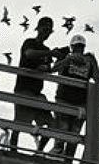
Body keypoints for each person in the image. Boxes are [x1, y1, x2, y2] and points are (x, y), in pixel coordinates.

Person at [10, 17, 63, 154]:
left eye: (49, 30)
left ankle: (38, 153)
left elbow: (49, 68)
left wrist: (64, 59)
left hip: (37, 93)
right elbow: (29, 54)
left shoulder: (46, 49)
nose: (46, 32)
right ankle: (12, 152)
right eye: (45, 29)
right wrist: (51, 53)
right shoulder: (29, 42)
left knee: (52, 125)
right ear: (38, 28)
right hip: (23, 90)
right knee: (19, 125)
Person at [50, 34, 99, 161]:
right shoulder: (65, 56)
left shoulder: (89, 61)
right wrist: (68, 59)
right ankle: (56, 161)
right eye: (77, 47)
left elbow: (97, 79)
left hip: (80, 104)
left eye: (81, 47)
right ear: (72, 47)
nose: (79, 50)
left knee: (74, 137)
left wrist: (94, 62)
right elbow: (54, 69)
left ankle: (68, 163)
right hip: (63, 100)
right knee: (62, 133)